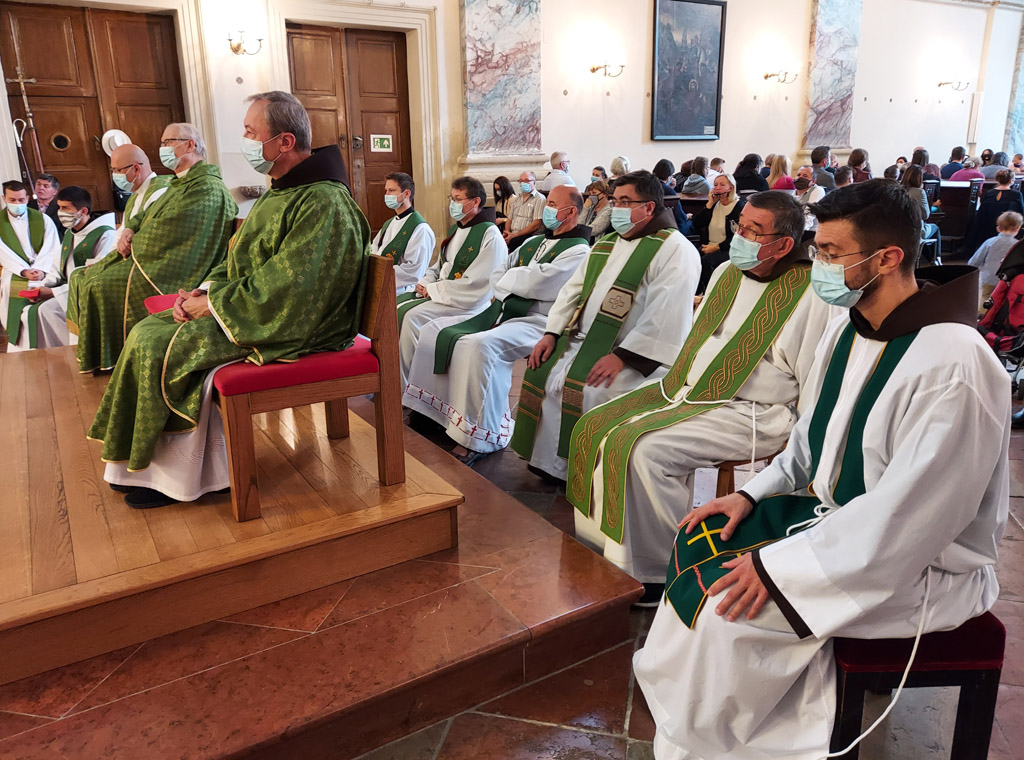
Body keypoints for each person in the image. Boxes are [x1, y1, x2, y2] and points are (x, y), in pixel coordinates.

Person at [634, 178, 1008, 760]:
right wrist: (751, 496)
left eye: (832, 254)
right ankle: (687, 711)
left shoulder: (955, 364)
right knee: (699, 541)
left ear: (886, 258)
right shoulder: (848, 328)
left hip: (920, 568)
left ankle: (719, 740)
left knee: (726, 608)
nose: (820, 267)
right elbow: (809, 443)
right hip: (837, 524)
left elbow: (913, 517)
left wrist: (782, 570)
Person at [89, 91, 369, 509]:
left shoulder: (324, 201)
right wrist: (203, 291)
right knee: (148, 329)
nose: (245, 140)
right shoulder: (281, 192)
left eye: (251, 132)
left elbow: (292, 287)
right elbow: (238, 258)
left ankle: (183, 478)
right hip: (257, 307)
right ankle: (143, 464)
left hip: (302, 323)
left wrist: (213, 305)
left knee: (163, 344)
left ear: (285, 142)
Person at [568, 192, 836, 603]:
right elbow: (702, 337)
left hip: (754, 411)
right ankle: (607, 550)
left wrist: (800, 447)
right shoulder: (727, 271)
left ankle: (659, 569)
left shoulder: (811, 294)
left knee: (645, 450)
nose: (740, 236)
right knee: (595, 424)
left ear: (784, 244)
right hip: (689, 390)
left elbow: (812, 379)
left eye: (754, 231)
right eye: (740, 225)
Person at [510, 170, 701, 481]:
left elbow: (666, 314)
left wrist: (623, 357)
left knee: (590, 390)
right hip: (581, 341)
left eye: (625, 202)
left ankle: (584, 473)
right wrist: (551, 333)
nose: (617, 208)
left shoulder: (675, 249)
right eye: (615, 201)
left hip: (635, 355)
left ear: (649, 207)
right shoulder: (607, 242)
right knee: (540, 370)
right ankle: (549, 464)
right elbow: (572, 291)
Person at [402, 185, 590, 464]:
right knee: (433, 332)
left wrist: (513, 279)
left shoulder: (579, 251)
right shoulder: (533, 242)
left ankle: (481, 436)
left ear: (571, 211)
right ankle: (434, 414)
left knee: (479, 347)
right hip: (504, 310)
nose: (546, 210)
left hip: (540, 320)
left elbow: (540, 283)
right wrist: (517, 279)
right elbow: (499, 273)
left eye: (552, 204)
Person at [67, 122, 236, 373]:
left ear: (190, 145)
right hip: (158, 256)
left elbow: (170, 230)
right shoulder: (180, 183)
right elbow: (151, 214)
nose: (162, 148)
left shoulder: (206, 187)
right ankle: (104, 356)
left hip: (176, 267)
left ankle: (116, 358)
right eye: (162, 143)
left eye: (168, 142)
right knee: (86, 277)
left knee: (100, 285)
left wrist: (135, 241)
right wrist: (131, 229)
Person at [398, 176, 507, 389]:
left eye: (458, 199)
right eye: (452, 198)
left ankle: (411, 388)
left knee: (412, 318)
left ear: (475, 202)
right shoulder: (456, 230)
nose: (453, 204)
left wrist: (433, 289)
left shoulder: (490, 235)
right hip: (446, 294)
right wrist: (425, 282)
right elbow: (440, 266)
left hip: (469, 303)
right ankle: (398, 383)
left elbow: (477, 283)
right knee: (397, 308)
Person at [28, 187, 116, 349]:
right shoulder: (71, 233)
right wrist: (42, 286)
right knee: (42, 310)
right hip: (68, 291)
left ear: (83, 211)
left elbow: (96, 277)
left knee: (48, 310)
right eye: (59, 207)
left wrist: (53, 292)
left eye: (66, 208)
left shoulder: (105, 235)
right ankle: (59, 353)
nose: (60, 213)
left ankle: (76, 350)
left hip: (89, 295)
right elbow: (57, 267)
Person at [0, 180, 60, 350]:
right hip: (15, 269)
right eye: (12, 200)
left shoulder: (42, 219)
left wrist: (40, 269)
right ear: (4, 198)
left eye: (21, 200)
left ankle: (42, 342)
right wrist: (24, 270)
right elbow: (2, 252)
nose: (17, 204)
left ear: (27, 198)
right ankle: (18, 345)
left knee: (46, 289)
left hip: (43, 269)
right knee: (8, 287)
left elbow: (51, 246)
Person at [370, 172, 435, 296]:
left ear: (406, 194)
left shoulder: (420, 229)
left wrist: (379, 272)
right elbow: (374, 249)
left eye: (391, 190)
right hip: (380, 285)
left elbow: (414, 270)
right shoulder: (389, 223)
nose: (386, 195)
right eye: (386, 191)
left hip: (402, 290)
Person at [106, 144, 172, 253]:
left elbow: (150, 237)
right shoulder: (134, 197)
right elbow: (120, 235)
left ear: (136, 169)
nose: (114, 175)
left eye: (118, 170)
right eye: (113, 170)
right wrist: (104, 259)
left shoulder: (161, 193)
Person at [692, 173, 744, 293]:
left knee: (706, 261)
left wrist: (716, 247)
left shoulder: (739, 207)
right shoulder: (715, 204)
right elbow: (697, 223)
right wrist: (709, 204)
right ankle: (696, 292)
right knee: (691, 256)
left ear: (731, 188)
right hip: (709, 245)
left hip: (727, 248)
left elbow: (737, 237)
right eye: (715, 185)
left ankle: (712, 292)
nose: (717, 188)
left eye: (722, 185)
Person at [963, 168, 1024, 257]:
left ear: (998, 179)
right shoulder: (1016, 194)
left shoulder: (989, 193)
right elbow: (1021, 211)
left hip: (986, 226)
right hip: (1008, 225)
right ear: (1011, 180)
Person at [969, 210, 1023, 308]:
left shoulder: (990, 242)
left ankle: (983, 316)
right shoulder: (1018, 246)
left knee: (985, 302)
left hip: (988, 279)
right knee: (1003, 303)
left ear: (998, 228)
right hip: (1008, 282)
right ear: (1018, 228)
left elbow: (973, 262)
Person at [900, 165, 941, 264]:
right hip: (915, 229)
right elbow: (926, 215)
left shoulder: (897, 190)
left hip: (899, 230)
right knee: (935, 228)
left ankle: (932, 260)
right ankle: (937, 259)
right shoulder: (919, 192)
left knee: (921, 235)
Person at [502, 171, 545, 251]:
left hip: (529, 235)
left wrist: (515, 235)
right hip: (513, 234)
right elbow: (509, 219)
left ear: (534, 183)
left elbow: (536, 224)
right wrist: (507, 232)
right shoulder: (517, 199)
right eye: (521, 181)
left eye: (526, 180)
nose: (523, 183)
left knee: (514, 242)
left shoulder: (540, 199)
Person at [654, 158, 690, 232]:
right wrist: (687, 216)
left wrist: (671, 188)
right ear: (669, 177)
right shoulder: (669, 191)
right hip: (671, 227)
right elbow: (680, 217)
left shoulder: (648, 186)